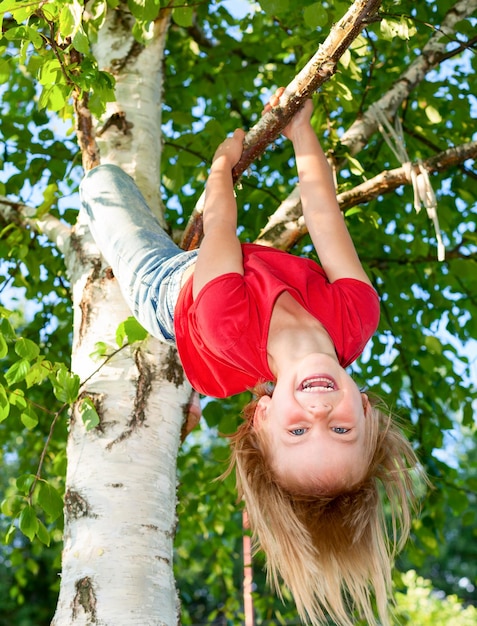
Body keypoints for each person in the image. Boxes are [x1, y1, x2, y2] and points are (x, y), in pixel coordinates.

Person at [80, 89, 419, 626]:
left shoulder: (225, 320)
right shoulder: (356, 315)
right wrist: (300, 130)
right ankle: (196, 384)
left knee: (102, 185)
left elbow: (221, 227)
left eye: (298, 434)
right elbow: (324, 216)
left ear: (264, 418)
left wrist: (222, 163)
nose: (320, 416)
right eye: (342, 432)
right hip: (238, 290)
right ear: (367, 413)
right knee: (216, 344)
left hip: (172, 291)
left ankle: (184, 374)